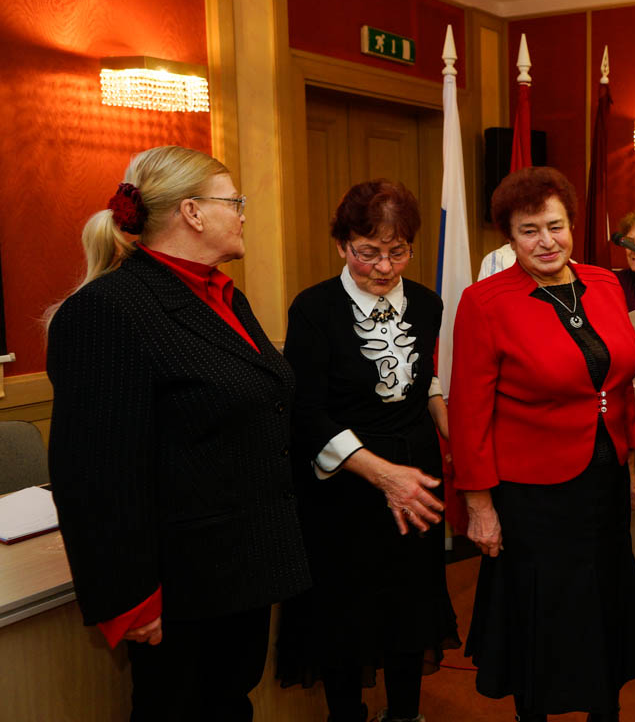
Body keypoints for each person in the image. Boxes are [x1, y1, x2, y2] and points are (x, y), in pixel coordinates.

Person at [45, 145, 310, 721]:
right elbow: (94, 474)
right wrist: (129, 597)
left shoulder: (224, 295)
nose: (242, 213)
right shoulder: (107, 310)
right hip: (179, 581)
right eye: (233, 201)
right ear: (192, 212)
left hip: (241, 565)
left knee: (229, 702)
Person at [449, 166, 635, 721]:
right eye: (529, 230)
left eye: (556, 225)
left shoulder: (606, 283)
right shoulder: (485, 301)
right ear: (509, 237)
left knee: (602, 598)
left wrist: (630, 464)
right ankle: (535, 711)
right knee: (543, 610)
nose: (546, 241)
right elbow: (469, 412)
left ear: (572, 225)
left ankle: (603, 708)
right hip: (532, 492)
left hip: (604, 475)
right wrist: (479, 505)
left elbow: (616, 384)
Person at [276, 180, 459, 722]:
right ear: (342, 245)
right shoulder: (314, 308)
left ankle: (405, 713)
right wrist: (381, 474)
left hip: (417, 475)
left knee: (411, 602)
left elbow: (421, 380)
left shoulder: (427, 303)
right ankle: (346, 713)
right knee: (345, 610)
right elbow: (306, 411)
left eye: (397, 250)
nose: (384, 266)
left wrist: (457, 439)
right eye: (368, 251)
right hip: (344, 484)